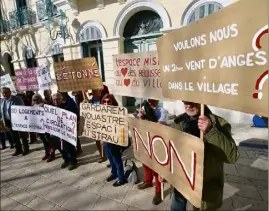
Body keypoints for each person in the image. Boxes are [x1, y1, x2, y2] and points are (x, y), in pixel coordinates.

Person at [170, 101, 239, 211]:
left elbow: (232, 156)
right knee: (177, 206)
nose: (189, 105)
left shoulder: (219, 123)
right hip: (181, 180)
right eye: (185, 101)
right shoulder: (178, 121)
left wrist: (210, 131)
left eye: (193, 101)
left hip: (204, 186)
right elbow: (170, 150)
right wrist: (163, 170)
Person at [136, 99, 168, 205]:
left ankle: (158, 191)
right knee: (145, 163)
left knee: (156, 168)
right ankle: (148, 181)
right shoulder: (143, 107)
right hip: (145, 139)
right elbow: (138, 123)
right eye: (149, 99)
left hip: (156, 142)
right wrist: (140, 117)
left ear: (158, 99)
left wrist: (146, 117)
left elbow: (160, 125)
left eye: (153, 99)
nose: (150, 101)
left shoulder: (162, 111)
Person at [101, 94, 127, 187]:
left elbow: (122, 128)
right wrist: (102, 137)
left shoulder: (118, 113)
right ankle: (114, 173)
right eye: (105, 101)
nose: (107, 103)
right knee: (110, 159)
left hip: (115, 141)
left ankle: (121, 178)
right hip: (106, 141)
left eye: (109, 101)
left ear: (113, 103)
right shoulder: (101, 113)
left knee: (117, 160)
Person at [52, 92, 78, 170]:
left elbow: (72, 117)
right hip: (57, 132)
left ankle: (73, 161)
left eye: (57, 99)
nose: (55, 101)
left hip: (67, 131)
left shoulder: (67, 106)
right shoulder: (51, 109)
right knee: (60, 147)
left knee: (69, 147)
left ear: (61, 99)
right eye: (54, 100)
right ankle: (66, 159)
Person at [0, 87, 29, 156]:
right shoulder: (2, 101)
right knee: (14, 136)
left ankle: (26, 149)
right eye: (3, 93)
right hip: (9, 121)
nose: (4, 94)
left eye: (6, 92)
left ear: (10, 92)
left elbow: (22, 109)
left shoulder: (17, 99)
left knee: (22, 135)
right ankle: (18, 149)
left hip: (18, 121)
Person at [88, 89, 109, 163]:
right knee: (97, 141)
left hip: (104, 123)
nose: (93, 93)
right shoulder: (90, 101)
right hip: (95, 123)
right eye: (92, 92)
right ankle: (102, 156)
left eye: (95, 92)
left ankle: (108, 156)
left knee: (106, 141)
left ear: (99, 92)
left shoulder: (104, 99)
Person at [31, 93, 52, 161]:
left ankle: (52, 154)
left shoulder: (44, 105)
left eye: (37, 99)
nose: (35, 101)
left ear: (40, 99)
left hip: (45, 126)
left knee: (48, 140)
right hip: (39, 127)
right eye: (34, 100)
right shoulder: (33, 106)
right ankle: (47, 153)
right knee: (44, 141)